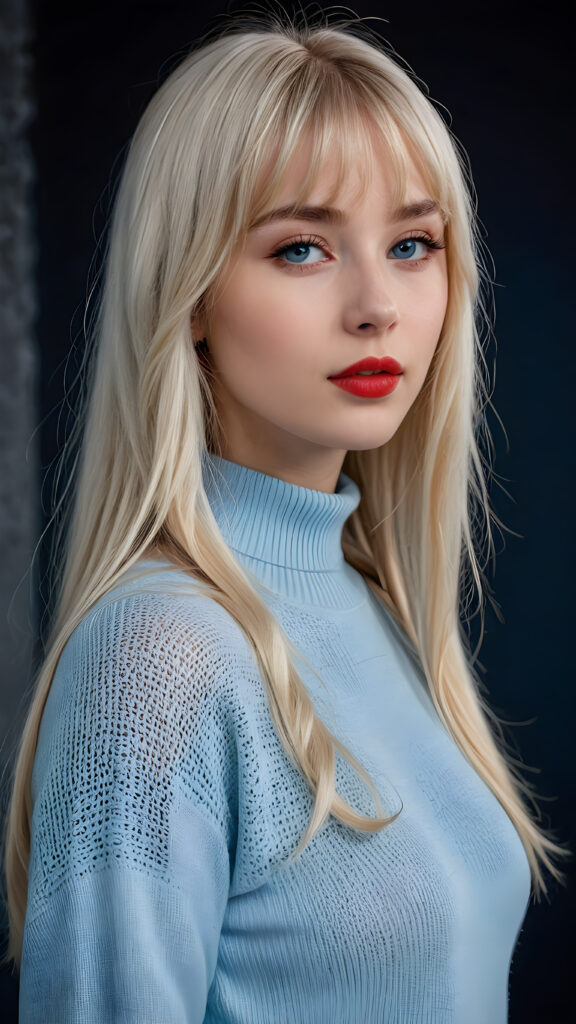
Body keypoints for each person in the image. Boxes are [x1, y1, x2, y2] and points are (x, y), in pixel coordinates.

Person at [1, 9, 567, 1023]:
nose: (377, 304)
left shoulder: (374, 606)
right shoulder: (157, 658)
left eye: (412, 243)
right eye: (302, 247)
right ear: (188, 297)